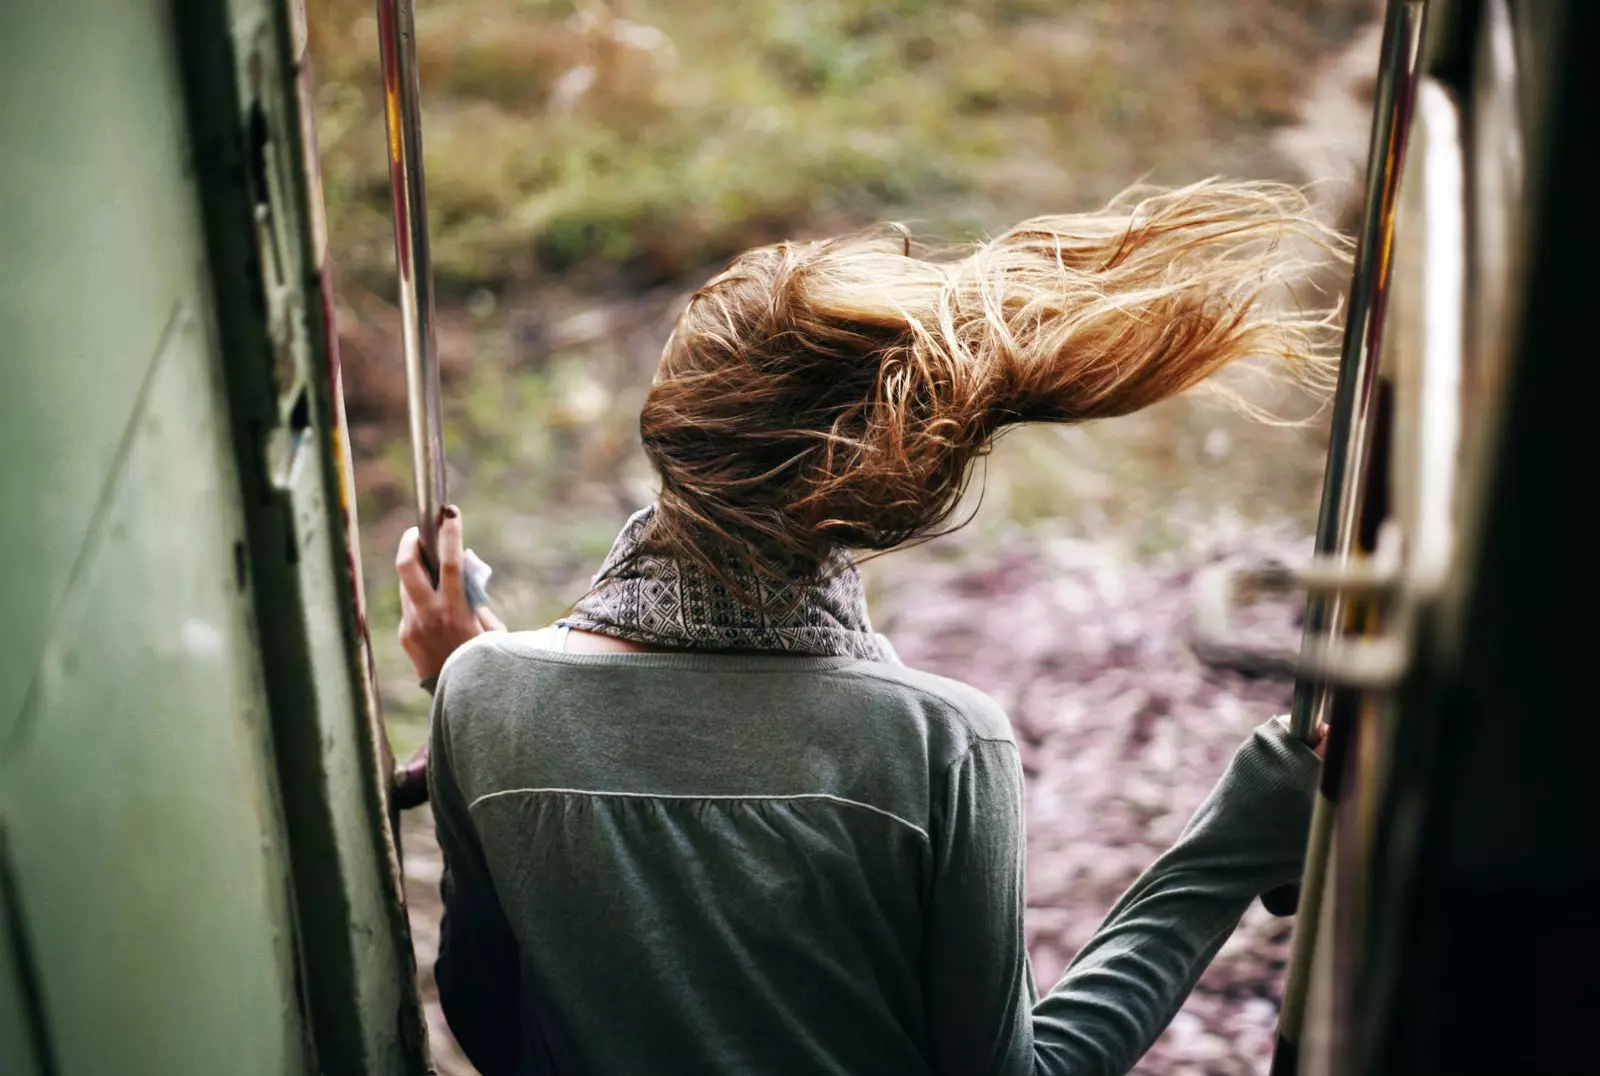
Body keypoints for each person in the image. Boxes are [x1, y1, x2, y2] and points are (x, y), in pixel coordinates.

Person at [395, 180, 1336, 1075]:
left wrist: (480, 690)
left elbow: (487, 1014)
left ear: (670, 428)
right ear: (879, 488)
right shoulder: (939, 741)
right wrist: (1235, 838)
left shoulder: (484, 695)